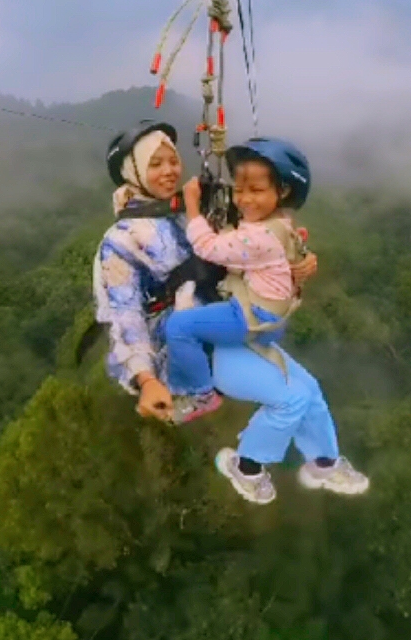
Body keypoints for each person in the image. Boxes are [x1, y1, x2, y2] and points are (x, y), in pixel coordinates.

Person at [93, 120, 369, 504]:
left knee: (309, 391)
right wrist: (145, 379)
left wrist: (297, 263)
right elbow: (124, 315)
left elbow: (252, 248)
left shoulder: (192, 212)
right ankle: (247, 467)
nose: (169, 171)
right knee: (290, 399)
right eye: (154, 164)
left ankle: (324, 462)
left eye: (172, 161)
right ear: (133, 170)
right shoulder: (121, 241)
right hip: (200, 348)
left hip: (233, 320)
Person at [163, 139, 310, 406]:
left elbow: (207, 247)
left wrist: (192, 205)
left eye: (256, 190)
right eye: (239, 190)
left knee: (177, 327)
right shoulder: (279, 224)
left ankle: (200, 393)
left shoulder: (260, 236)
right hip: (271, 315)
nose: (245, 199)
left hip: (254, 316)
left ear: (283, 190)